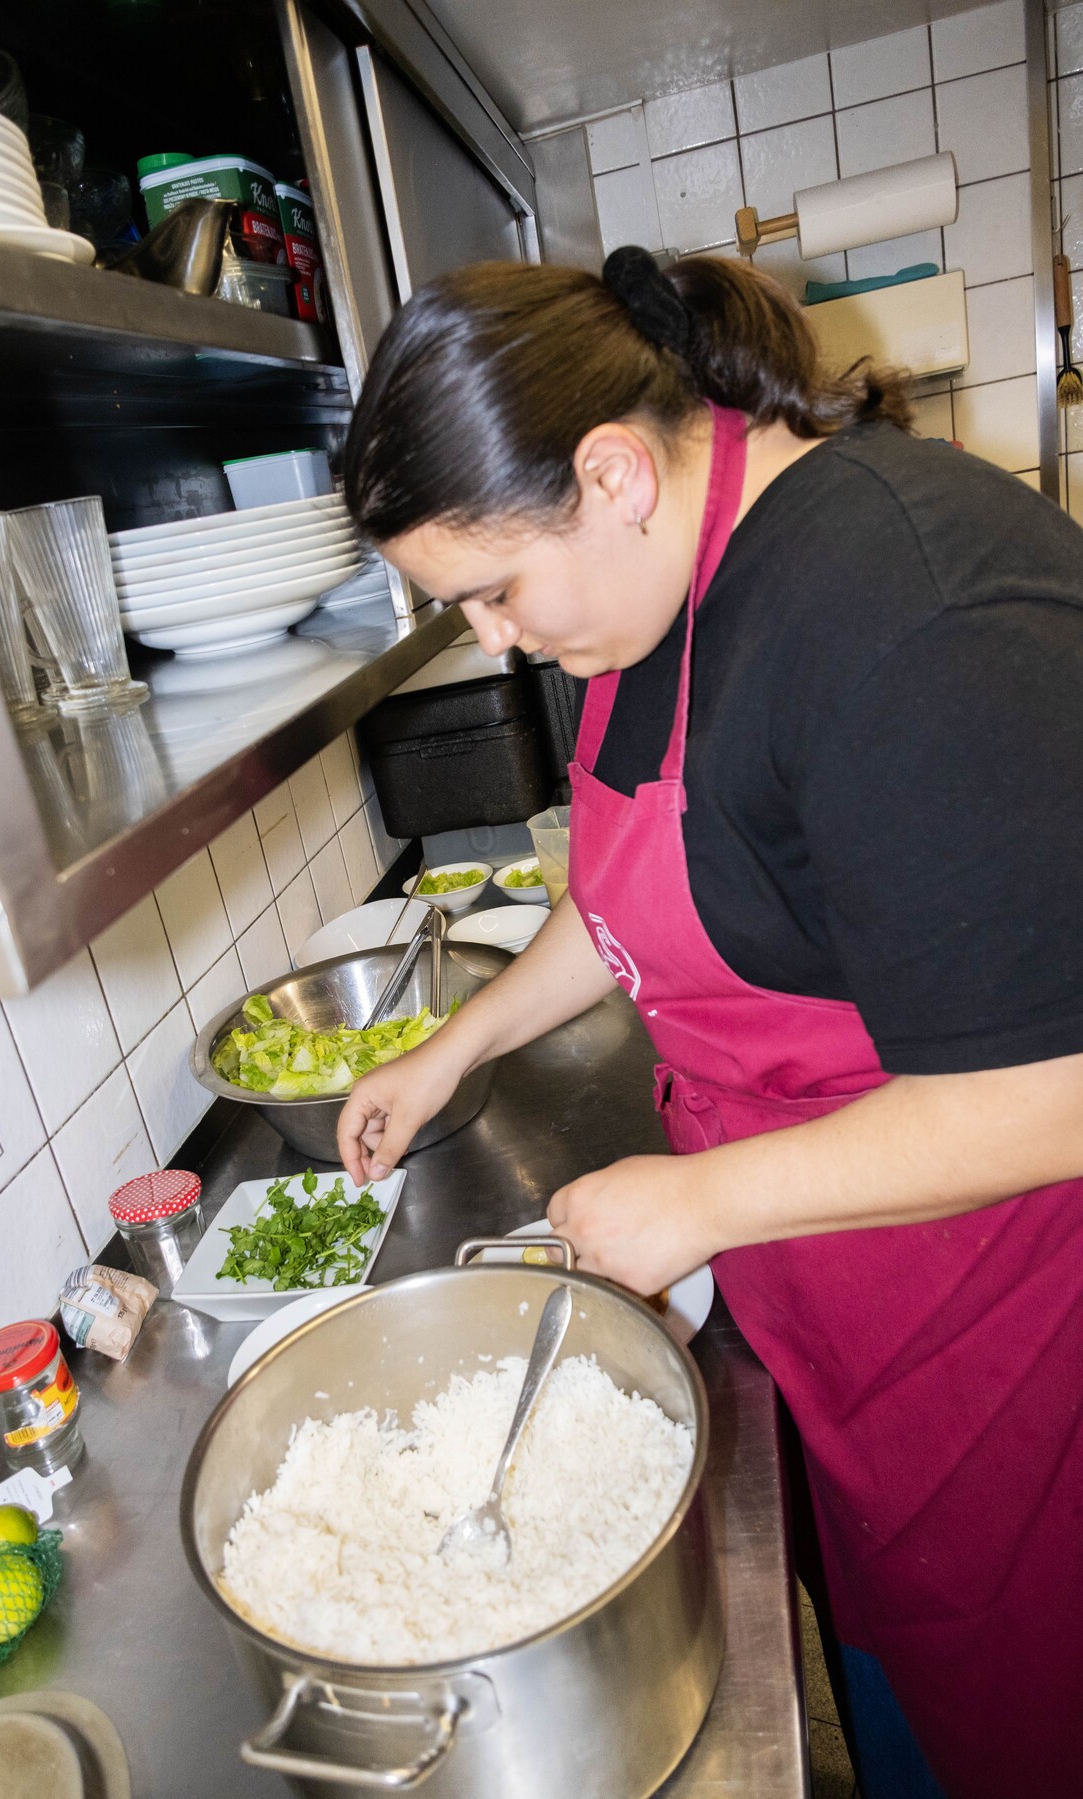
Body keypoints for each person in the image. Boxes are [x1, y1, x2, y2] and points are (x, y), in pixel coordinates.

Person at [335, 246, 1083, 1799]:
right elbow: (633, 898)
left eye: (490, 590)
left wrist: (701, 1200)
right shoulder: (654, 587)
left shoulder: (908, 614)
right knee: (905, 1685)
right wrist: (455, 1044)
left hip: (1009, 1346)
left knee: (1028, 1706)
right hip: (846, 1314)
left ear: (610, 474)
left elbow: (1053, 1089)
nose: (492, 638)